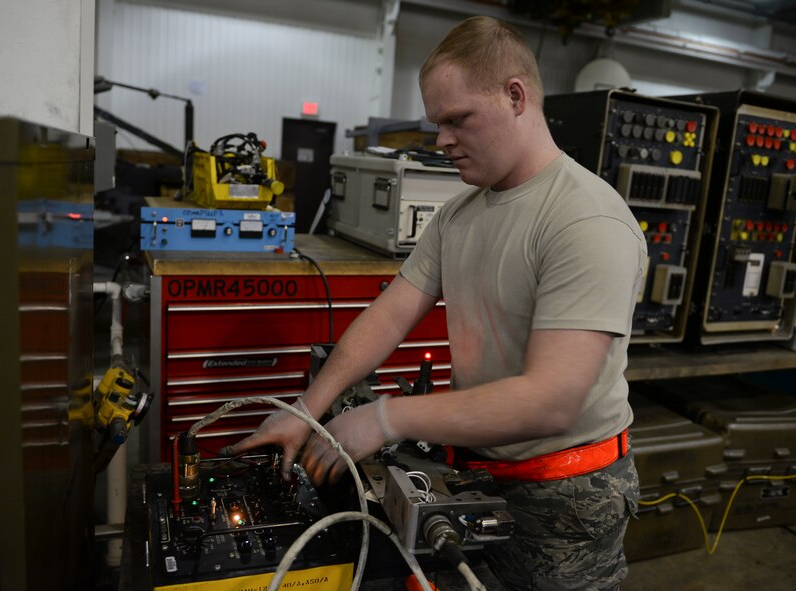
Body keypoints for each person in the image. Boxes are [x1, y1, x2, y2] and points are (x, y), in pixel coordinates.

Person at [223, 15, 646, 590]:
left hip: (566, 499)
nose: (441, 140)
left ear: (516, 96)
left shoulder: (586, 221)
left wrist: (384, 418)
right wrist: (305, 411)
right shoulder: (459, 215)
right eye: (436, 123)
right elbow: (390, 314)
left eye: (457, 119)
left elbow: (552, 400)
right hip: (476, 473)